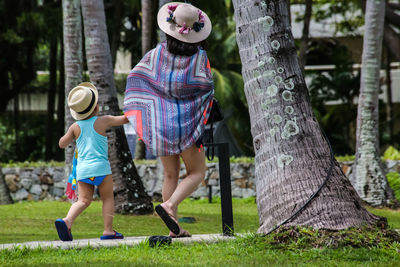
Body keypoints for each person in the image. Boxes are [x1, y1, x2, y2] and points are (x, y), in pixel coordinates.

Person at [124, 2, 214, 237]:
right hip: (187, 126)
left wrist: (151, 106)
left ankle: (174, 229)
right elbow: (206, 87)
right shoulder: (199, 58)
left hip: (160, 125)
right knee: (197, 173)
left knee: (170, 175)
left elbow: (136, 76)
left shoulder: (157, 54)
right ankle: (170, 206)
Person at [55, 82, 128, 241]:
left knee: (83, 200)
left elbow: (61, 144)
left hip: (83, 170)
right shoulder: (104, 121)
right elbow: (125, 119)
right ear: (96, 107)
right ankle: (108, 231)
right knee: (108, 198)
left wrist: (69, 135)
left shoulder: (75, 126)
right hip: (101, 168)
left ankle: (67, 221)